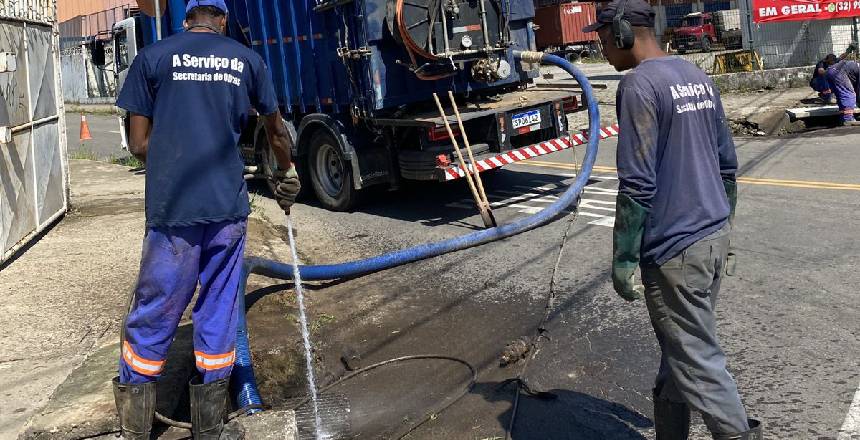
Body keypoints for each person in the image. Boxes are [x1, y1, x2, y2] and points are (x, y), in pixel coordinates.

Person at [112, 1, 300, 438]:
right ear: (223, 21)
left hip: (173, 209)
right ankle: (209, 424)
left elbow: (138, 144)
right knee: (218, 305)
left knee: (158, 305)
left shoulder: (153, 57)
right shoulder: (247, 60)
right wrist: (287, 172)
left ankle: (137, 424)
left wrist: (172, 164)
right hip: (226, 209)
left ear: (186, 19)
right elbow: (276, 130)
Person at [583, 0, 762, 438]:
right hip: (711, 237)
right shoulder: (696, 76)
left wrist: (624, 258)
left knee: (697, 362)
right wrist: (725, 231)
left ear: (623, 33)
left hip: (675, 251)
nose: (603, 50)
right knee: (679, 351)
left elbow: (637, 183)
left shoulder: (638, 86)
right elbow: (726, 166)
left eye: (604, 40)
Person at [826, 57, 860, 126]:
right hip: (839, 72)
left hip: (830, 71)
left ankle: (843, 117)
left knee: (840, 94)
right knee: (849, 94)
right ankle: (848, 119)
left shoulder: (855, 66)